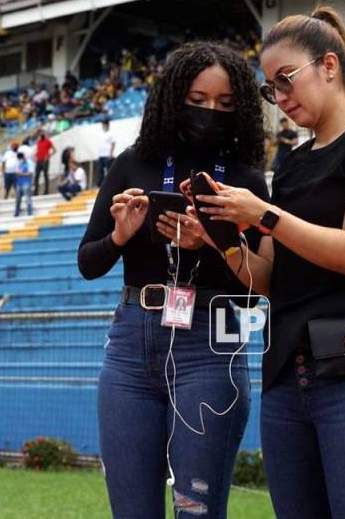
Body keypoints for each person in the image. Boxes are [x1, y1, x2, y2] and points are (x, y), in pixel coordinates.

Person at [190, 6, 345, 517]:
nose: (279, 98)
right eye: (270, 88)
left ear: (329, 65)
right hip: (286, 381)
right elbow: (265, 281)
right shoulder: (293, 165)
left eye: (286, 79)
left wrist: (263, 214)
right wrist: (219, 238)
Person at [77, 42, 269, 518]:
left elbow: (258, 285)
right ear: (173, 97)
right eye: (198, 99)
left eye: (225, 104)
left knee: (197, 509)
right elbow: (88, 262)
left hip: (210, 344)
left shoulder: (246, 180)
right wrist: (120, 236)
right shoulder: (132, 164)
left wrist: (210, 243)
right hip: (130, 343)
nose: (210, 112)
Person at [34, 130, 56, 196]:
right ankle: (36, 192)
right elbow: (38, 151)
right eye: (40, 133)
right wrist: (35, 156)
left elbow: (54, 150)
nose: (41, 134)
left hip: (45, 161)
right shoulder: (38, 142)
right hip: (38, 161)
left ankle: (46, 191)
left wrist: (48, 156)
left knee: (45, 175)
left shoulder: (48, 141)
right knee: (36, 177)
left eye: (42, 132)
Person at [14, 152, 33, 217]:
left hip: (26, 183)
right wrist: (22, 174)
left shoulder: (29, 163)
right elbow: (16, 173)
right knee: (17, 199)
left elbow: (30, 174)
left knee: (28, 198)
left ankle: (30, 212)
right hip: (19, 183)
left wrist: (21, 174)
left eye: (21, 158)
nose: (20, 159)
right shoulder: (18, 163)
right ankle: (16, 213)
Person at [98, 118, 115, 187]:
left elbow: (113, 143)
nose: (103, 126)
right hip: (101, 154)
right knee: (100, 170)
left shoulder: (111, 133)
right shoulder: (101, 133)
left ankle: (110, 184)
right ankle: (101, 185)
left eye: (104, 124)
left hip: (107, 154)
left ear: (107, 125)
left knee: (108, 170)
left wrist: (110, 154)